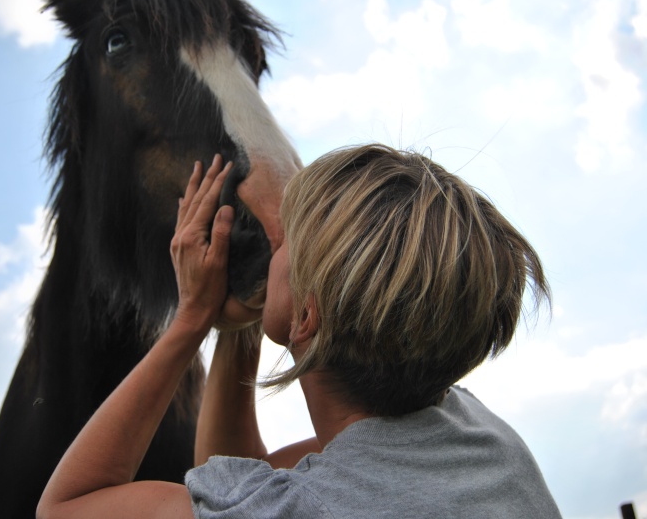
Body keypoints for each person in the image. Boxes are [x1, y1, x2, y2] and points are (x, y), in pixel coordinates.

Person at [36, 145, 562, 518]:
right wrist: (243, 320)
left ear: (306, 316)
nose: (274, 244)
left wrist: (191, 319)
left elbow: (67, 507)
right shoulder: (482, 434)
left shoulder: (301, 509)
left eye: (283, 241)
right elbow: (241, 474)